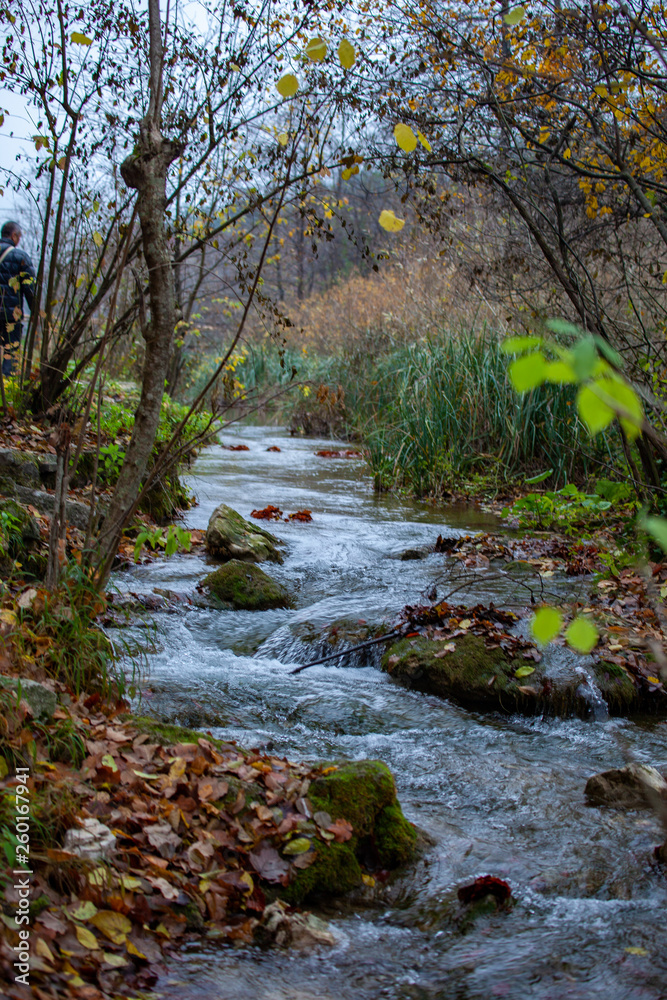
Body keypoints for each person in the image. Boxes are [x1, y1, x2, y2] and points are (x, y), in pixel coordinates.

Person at [0, 221, 36, 377]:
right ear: (14, 236)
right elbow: (30, 289)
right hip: (10, 316)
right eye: (19, 236)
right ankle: (6, 394)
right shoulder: (21, 257)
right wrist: (35, 311)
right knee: (10, 353)